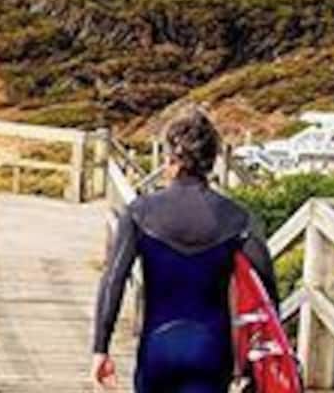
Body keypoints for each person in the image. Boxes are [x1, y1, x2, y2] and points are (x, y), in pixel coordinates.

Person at [91, 108, 278, 392]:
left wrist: (100, 348)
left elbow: (113, 281)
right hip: (212, 351)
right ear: (212, 159)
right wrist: (259, 358)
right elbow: (267, 290)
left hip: (157, 349)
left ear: (171, 158)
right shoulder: (239, 218)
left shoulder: (140, 212)